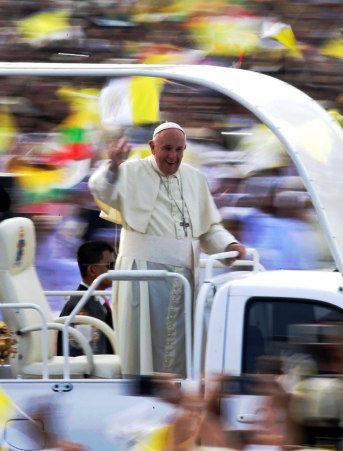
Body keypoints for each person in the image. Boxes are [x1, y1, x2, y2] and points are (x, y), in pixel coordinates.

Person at [88, 122, 246, 377]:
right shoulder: (131, 171)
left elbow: (207, 228)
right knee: (146, 350)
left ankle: (180, 393)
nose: (173, 156)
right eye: (167, 149)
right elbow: (100, 189)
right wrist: (113, 166)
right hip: (143, 277)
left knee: (184, 352)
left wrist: (230, 244)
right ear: (152, 147)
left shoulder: (195, 178)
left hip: (184, 280)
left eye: (179, 150)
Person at [57, 240, 116, 357]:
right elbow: (83, 356)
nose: (115, 270)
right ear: (92, 270)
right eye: (110, 266)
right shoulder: (81, 308)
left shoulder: (96, 301)